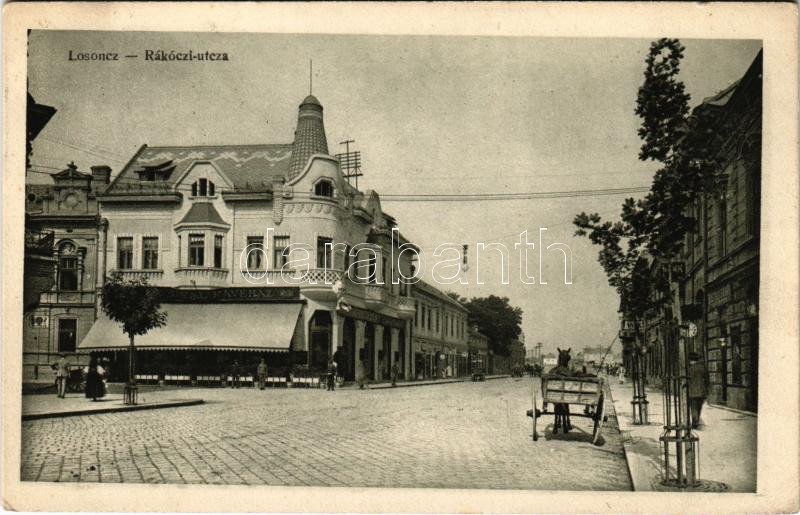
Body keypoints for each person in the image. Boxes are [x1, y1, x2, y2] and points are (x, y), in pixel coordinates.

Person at [688, 352, 709, 429]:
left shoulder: (690, 369)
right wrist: (706, 389)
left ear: (691, 360)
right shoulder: (703, 368)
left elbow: (688, 380)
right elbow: (707, 379)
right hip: (701, 392)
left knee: (694, 408)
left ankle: (695, 423)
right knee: (699, 407)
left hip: (692, 392)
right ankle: (696, 421)